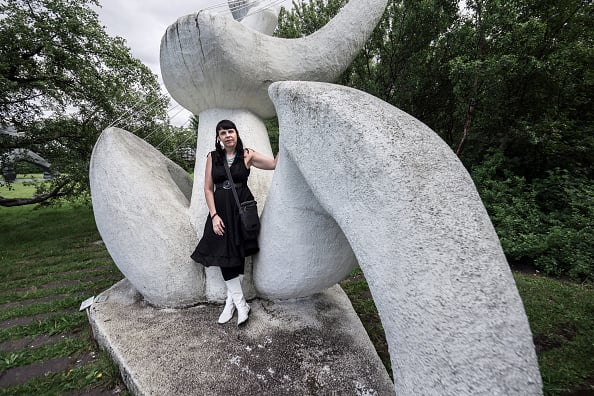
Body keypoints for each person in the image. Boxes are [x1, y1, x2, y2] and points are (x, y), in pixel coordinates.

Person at [191, 119, 277, 326]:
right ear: (218, 137)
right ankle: (240, 303)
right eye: (222, 133)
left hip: (241, 210)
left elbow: (274, 164)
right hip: (221, 212)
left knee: (237, 253)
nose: (227, 135)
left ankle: (231, 303)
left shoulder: (248, 155)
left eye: (230, 131)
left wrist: (287, 141)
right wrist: (213, 215)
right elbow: (208, 189)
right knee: (223, 253)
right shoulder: (213, 157)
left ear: (236, 133)